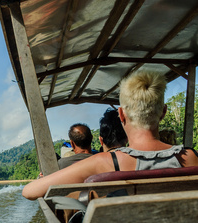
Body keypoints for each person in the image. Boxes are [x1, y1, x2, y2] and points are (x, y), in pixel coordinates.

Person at [22, 70, 198, 200]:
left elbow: (29, 192)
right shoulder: (191, 157)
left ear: (121, 115)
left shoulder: (104, 162)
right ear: (163, 112)